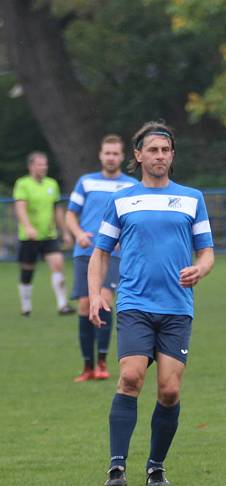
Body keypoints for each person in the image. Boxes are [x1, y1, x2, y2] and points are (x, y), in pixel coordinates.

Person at [88, 121, 214, 486]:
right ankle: (116, 467)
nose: (159, 156)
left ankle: (156, 467)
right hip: (134, 303)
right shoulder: (122, 199)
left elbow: (207, 251)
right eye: (153, 150)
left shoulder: (192, 198)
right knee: (130, 378)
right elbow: (100, 253)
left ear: (172, 156)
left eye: (165, 150)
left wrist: (200, 269)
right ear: (138, 156)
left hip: (176, 307)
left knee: (170, 391)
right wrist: (96, 294)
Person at [66, 135, 138, 382]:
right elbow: (70, 215)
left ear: (122, 156)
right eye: (107, 153)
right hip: (86, 252)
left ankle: (103, 362)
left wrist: (123, 237)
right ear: (100, 155)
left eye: (115, 153)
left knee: (105, 300)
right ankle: (87, 365)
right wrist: (77, 234)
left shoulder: (130, 186)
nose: (111, 157)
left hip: (114, 254)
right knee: (85, 305)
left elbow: (135, 220)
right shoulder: (86, 182)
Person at [13, 152, 75, 316]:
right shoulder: (23, 184)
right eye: (40, 164)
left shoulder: (51, 184)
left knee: (58, 265)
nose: (43, 167)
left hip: (49, 235)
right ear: (31, 166)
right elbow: (20, 207)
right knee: (28, 271)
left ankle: (62, 305)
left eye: (45, 164)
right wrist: (27, 227)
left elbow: (57, 210)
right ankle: (26, 307)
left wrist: (65, 232)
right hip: (29, 236)